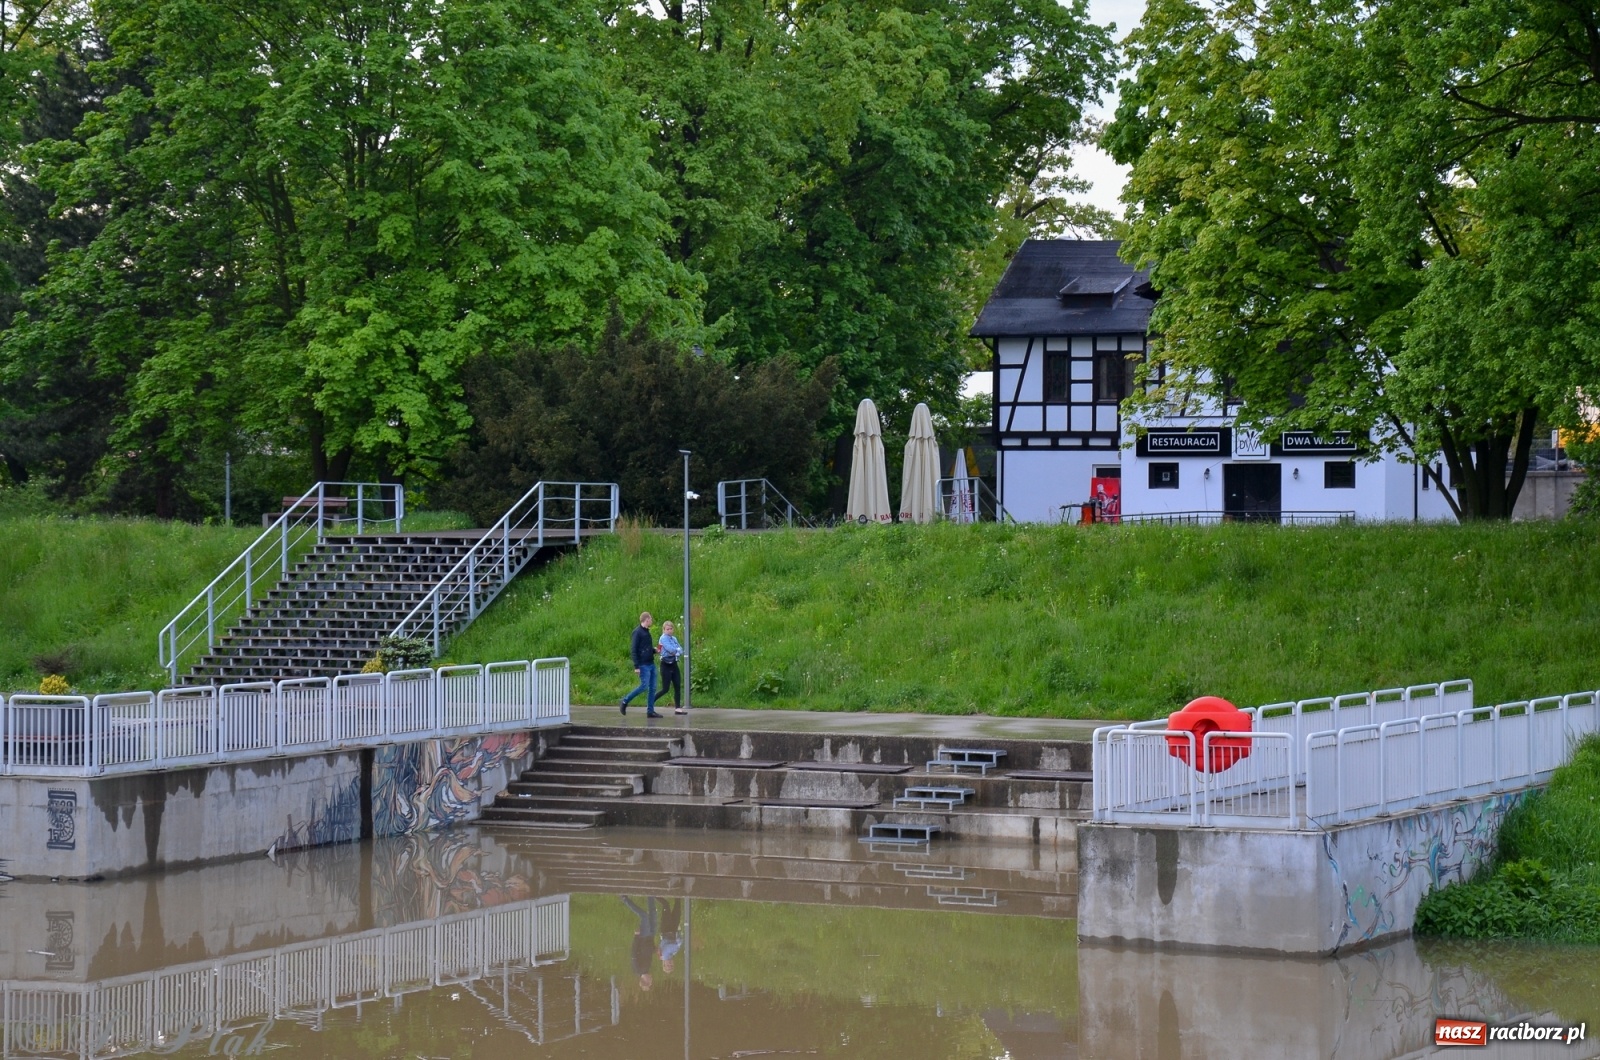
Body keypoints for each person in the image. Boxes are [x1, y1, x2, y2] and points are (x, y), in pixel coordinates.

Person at [621, 611, 661, 717]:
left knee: (653, 688)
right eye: (651, 619)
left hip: (651, 663)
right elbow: (634, 649)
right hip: (643, 664)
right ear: (646, 619)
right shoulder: (637, 632)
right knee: (644, 686)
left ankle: (650, 711)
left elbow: (645, 648)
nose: (651, 621)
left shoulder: (647, 632)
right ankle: (625, 701)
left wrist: (654, 650)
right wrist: (636, 666)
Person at [622, 896, 658, 991]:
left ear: (645, 980)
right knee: (653, 914)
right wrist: (655, 949)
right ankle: (650, 895)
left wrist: (636, 937)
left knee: (644, 916)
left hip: (643, 937)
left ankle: (625, 899)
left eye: (650, 981)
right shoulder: (647, 968)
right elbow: (647, 952)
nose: (651, 979)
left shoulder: (638, 969)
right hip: (650, 937)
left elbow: (634, 953)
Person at [657, 620, 686, 716]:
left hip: (674, 664)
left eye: (671, 629)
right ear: (664, 630)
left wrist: (677, 651)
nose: (669, 631)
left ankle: (678, 708)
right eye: (667, 629)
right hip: (665, 664)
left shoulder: (674, 638)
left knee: (677, 685)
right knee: (665, 689)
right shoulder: (663, 638)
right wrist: (676, 650)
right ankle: (651, 701)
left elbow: (681, 649)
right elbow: (671, 650)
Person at [657, 897, 683, 973]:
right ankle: (677, 892)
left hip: (666, 929)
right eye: (671, 965)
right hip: (674, 929)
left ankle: (652, 893)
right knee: (677, 907)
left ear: (664, 964)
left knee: (666, 905)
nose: (670, 964)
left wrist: (678, 944)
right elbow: (679, 939)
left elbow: (669, 947)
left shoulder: (663, 955)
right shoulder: (673, 953)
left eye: (668, 965)